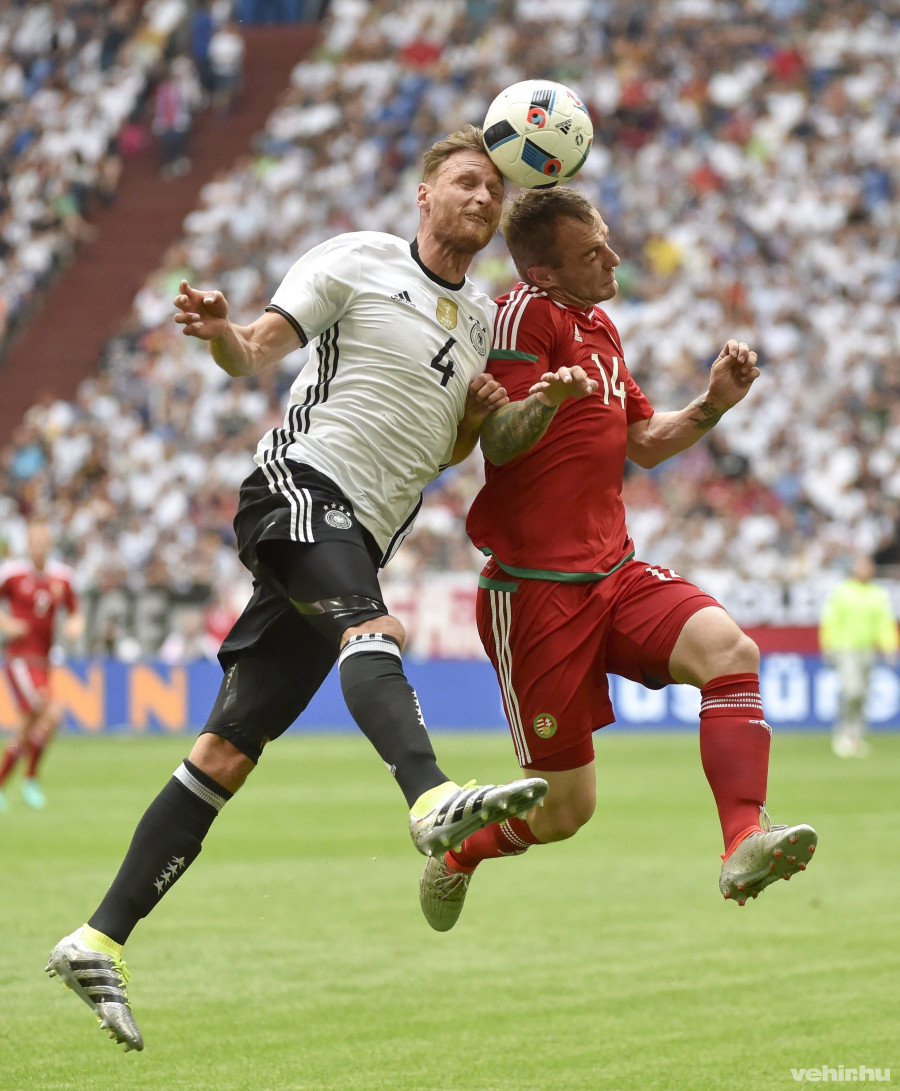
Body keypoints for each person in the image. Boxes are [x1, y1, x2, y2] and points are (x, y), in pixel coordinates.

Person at [45, 127, 594, 1051]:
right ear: (424, 195)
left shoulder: (480, 324)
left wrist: (491, 417)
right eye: (465, 181)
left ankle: (96, 938)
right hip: (299, 487)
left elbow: (446, 448)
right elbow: (255, 349)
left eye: (492, 191)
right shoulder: (358, 259)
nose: (481, 198)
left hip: (356, 534)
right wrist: (222, 332)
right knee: (374, 628)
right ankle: (429, 798)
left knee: (227, 751)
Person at [418, 186, 818, 932]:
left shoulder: (599, 325)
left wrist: (712, 404)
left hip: (614, 571)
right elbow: (496, 439)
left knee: (731, 651)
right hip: (534, 594)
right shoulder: (522, 316)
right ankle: (461, 852)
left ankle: (743, 840)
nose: (614, 257)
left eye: (606, 239)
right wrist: (545, 401)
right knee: (566, 810)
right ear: (543, 271)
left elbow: (645, 442)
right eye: (593, 251)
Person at [0, 521, 84, 811]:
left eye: (43, 542)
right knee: (52, 712)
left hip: (43, 662)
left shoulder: (62, 577)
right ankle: (31, 778)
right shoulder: (13, 574)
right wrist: (7, 623)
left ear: (49, 545)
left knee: (25, 729)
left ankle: (7, 783)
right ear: (27, 545)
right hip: (20, 660)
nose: (38, 547)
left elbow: (75, 612)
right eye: (34, 542)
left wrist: (74, 625)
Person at [819, 553, 899, 758]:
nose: (866, 570)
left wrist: (890, 646)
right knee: (852, 690)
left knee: (863, 693)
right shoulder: (843, 592)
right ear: (854, 569)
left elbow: (884, 622)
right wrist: (827, 645)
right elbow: (831, 619)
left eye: (868, 566)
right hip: (845, 649)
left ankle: (855, 735)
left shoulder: (877, 593)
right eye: (862, 566)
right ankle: (843, 732)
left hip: (868, 650)